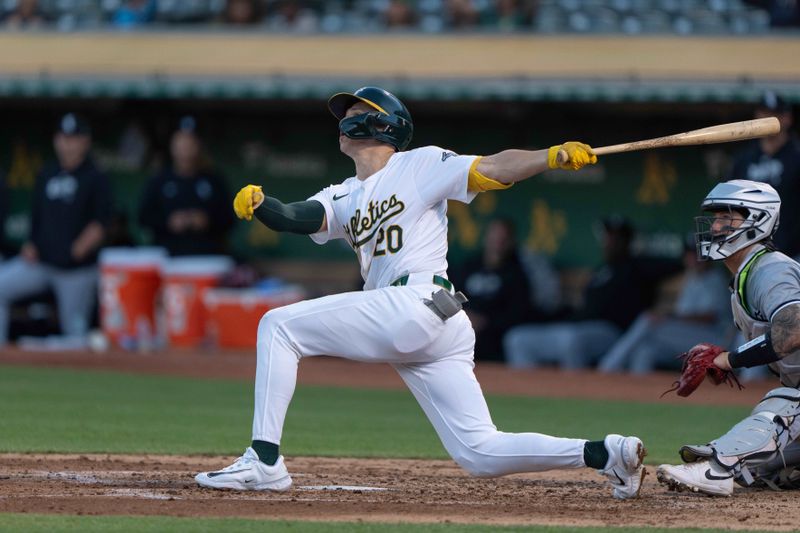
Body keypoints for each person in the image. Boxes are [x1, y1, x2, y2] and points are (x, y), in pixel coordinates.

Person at [194, 86, 646, 499]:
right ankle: (606, 454)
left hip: (417, 303)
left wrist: (549, 156)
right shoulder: (346, 193)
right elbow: (297, 216)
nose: (344, 119)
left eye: (354, 111)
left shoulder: (418, 164)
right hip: (431, 319)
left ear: (382, 123)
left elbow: (492, 167)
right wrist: (261, 204)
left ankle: (265, 461)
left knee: (279, 325)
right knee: (479, 451)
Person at [656, 179, 800, 496]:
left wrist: (730, 359)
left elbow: (793, 332)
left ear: (757, 220)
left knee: (787, 404)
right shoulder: (745, 277)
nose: (716, 225)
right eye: (716, 218)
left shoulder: (770, 270)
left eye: (727, 218)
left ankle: (717, 468)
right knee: (758, 467)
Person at [503, 215, 680, 369]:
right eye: (608, 236)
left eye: (616, 237)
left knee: (571, 340)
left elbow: (675, 264)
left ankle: (579, 395)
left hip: (612, 332)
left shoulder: (637, 266)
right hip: (579, 326)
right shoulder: (601, 270)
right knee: (517, 339)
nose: (610, 242)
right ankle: (534, 396)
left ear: (627, 241)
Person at [0, 113, 112, 346]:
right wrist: (31, 243)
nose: (67, 144)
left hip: (76, 270)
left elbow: (103, 221)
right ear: (56, 140)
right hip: (41, 263)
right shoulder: (47, 173)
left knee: (74, 333)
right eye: (63, 138)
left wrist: (84, 244)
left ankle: (78, 375)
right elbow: (37, 217)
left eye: (73, 138)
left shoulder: (95, 176)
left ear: (85, 142)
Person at [597, 234, 731, 374]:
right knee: (645, 350)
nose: (695, 258)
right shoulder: (692, 277)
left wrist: (671, 317)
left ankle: (607, 367)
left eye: (699, 254)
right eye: (690, 253)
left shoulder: (715, 279)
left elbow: (709, 318)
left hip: (713, 339)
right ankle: (638, 393)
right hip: (689, 338)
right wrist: (671, 317)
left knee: (648, 321)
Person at [138, 116, 235, 256]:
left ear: (199, 145)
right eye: (181, 142)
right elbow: (143, 217)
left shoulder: (214, 180)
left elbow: (230, 219)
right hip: (167, 255)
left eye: (191, 142)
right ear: (172, 145)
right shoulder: (159, 180)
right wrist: (169, 222)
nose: (185, 148)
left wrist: (207, 220)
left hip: (207, 255)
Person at [727, 90, 800, 259]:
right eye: (764, 114)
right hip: (751, 253)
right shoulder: (744, 160)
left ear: (787, 118)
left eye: (774, 115)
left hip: (793, 255)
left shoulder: (796, 157)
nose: (766, 121)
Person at [450, 217, 535, 362]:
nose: (498, 242)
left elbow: (518, 313)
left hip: (493, 333)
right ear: (486, 237)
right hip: (462, 324)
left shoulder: (516, 273)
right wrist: (463, 316)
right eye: (494, 236)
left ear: (511, 241)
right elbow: (451, 294)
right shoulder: (470, 266)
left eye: (503, 238)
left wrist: (485, 321)